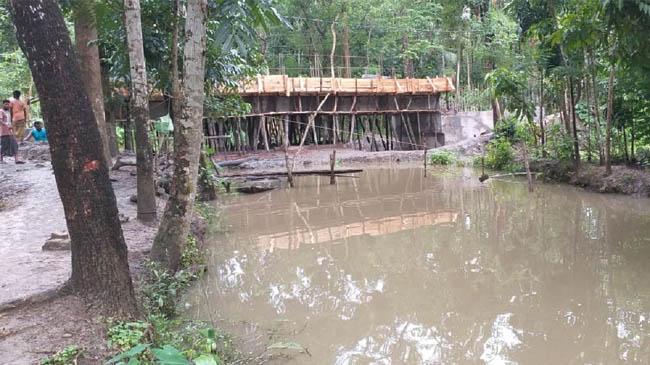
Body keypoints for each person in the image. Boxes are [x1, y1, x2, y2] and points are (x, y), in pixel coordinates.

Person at [0, 99, 20, 164]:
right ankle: (1, 160)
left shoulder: (9, 112)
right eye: (6, 104)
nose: (7, 105)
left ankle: (16, 160)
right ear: (3, 104)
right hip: (3, 132)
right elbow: (0, 120)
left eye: (8, 104)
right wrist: (6, 124)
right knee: (4, 145)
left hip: (10, 131)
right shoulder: (1, 111)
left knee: (15, 144)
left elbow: (11, 120)